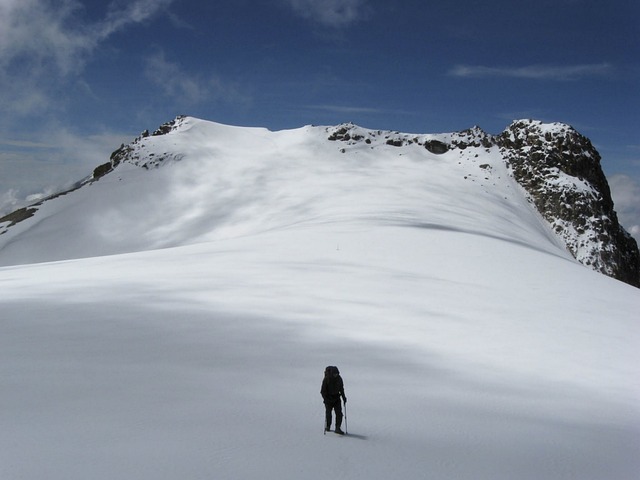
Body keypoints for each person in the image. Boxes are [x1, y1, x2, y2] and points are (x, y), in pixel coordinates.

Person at [321, 365, 347, 434]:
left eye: (337, 374)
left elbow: (341, 389)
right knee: (328, 414)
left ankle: (338, 428)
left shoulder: (339, 379)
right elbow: (323, 391)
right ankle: (328, 426)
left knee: (339, 414)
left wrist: (344, 397)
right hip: (328, 399)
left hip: (336, 398)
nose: (336, 375)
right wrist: (325, 399)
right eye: (335, 374)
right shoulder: (326, 379)